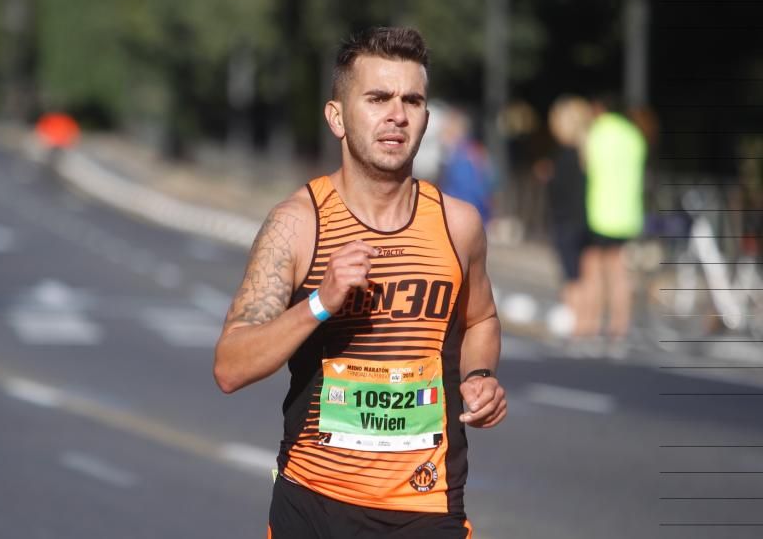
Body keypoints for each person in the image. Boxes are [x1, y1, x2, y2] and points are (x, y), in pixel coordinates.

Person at [213, 27, 506, 538]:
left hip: (427, 507)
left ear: (426, 120)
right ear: (337, 117)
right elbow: (230, 366)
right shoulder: (299, 224)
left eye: (412, 100)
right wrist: (319, 304)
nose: (397, 114)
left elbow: (480, 316)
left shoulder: (457, 225)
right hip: (315, 506)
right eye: (377, 98)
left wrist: (478, 375)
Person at [579, 95, 647, 357]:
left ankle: (592, 325)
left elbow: (587, 166)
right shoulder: (634, 136)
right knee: (620, 272)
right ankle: (620, 326)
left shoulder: (597, 133)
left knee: (594, 269)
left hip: (600, 211)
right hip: (628, 213)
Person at [535, 96, 593, 339]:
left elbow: (561, 190)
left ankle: (578, 323)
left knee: (572, 276)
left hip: (567, 220)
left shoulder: (565, 156)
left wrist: (548, 176)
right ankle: (589, 321)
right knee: (586, 273)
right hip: (587, 219)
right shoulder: (586, 152)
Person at [437, 105, 494, 223]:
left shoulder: (463, 156)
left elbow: (468, 192)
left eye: (446, 129)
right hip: (469, 215)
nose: (442, 134)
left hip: (463, 217)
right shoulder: (467, 152)